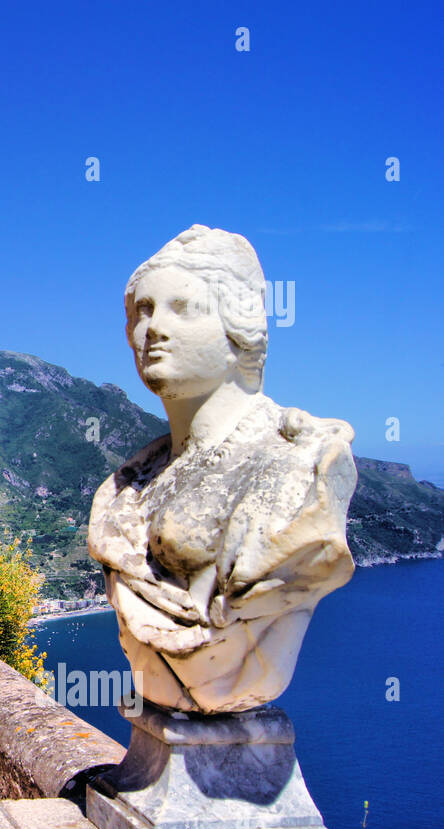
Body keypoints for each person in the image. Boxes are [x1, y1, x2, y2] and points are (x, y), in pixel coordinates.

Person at [88, 225, 356, 714]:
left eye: (183, 309)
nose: (154, 330)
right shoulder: (127, 487)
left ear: (240, 328)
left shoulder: (301, 463)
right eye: (142, 312)